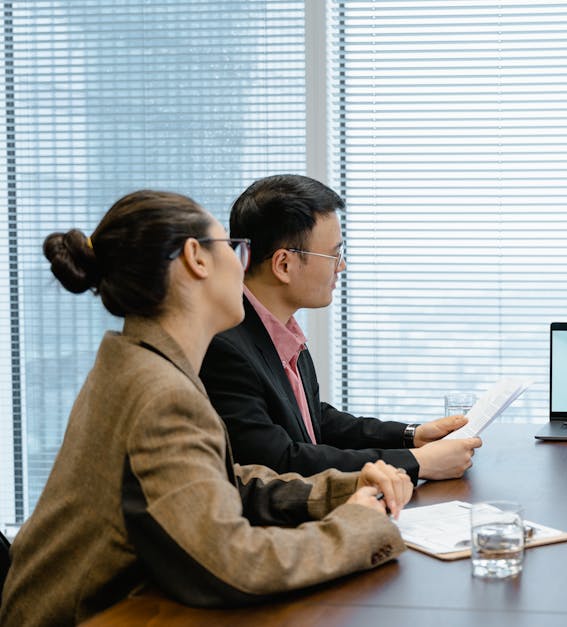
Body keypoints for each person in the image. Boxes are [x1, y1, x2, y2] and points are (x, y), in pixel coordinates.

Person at [0, 191, 412, 626]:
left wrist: (338, 491)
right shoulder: (160, 392)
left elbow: (215, 483)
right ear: (197, 258)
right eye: (235, 249)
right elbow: (236, 562)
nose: (243, 266)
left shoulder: (140, 362)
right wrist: (359, 527)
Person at [199, 175, 481, 481]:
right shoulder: (224, 347)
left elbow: (313, 420)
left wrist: (411, 435)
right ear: (283, 264)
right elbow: (278, 461)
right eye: (334, 254)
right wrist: (415, 462)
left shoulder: (279, 328)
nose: (341, 266)